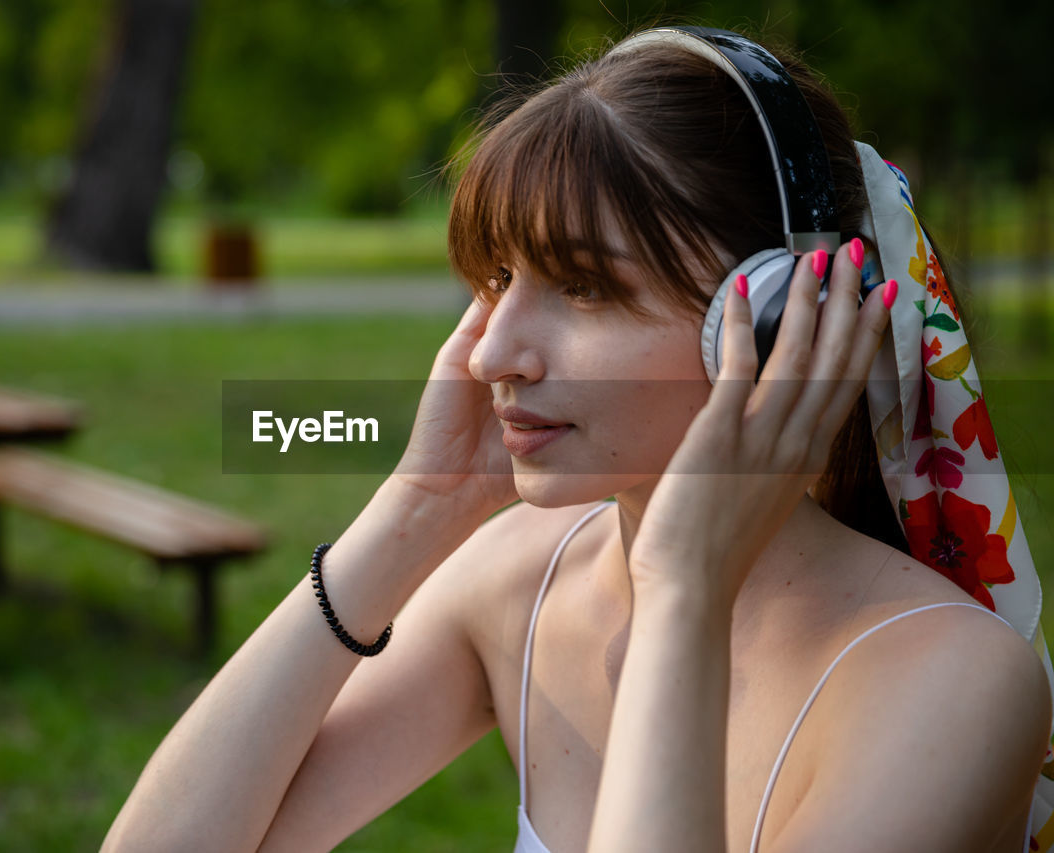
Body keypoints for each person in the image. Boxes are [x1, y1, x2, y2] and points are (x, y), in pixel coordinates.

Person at [102, 26, 1054, 853]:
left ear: (777, 319)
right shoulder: (523, 580)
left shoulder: (952, 681)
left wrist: (685, 588)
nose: (495, 353)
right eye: (501, 277)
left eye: (586, 287)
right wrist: (415, 510)